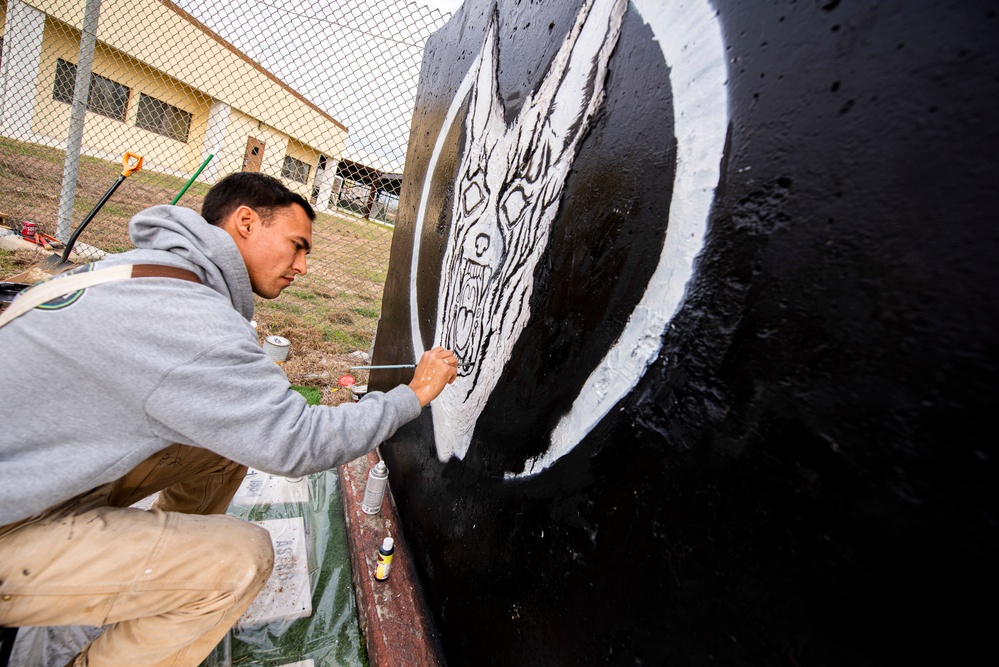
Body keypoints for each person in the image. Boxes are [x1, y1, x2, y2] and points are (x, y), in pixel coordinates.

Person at [0, 172, 459, 666]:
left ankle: (152, 579)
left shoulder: (140, 273)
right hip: (16, 525)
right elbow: (296, 441)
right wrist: (415, 393)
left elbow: (253, 420)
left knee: (220, 444)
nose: (302, 267)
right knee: (244, 560)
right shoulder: (186, 315)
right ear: (244, 222)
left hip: (35, 482)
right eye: (297, 245)